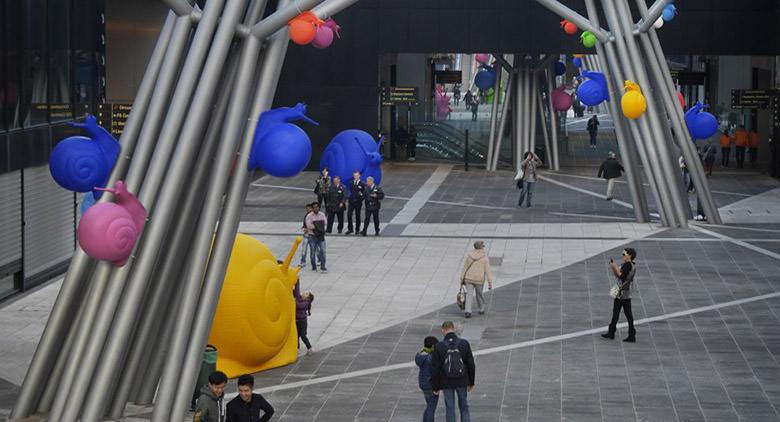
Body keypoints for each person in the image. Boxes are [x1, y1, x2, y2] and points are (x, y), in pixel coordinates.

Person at [431, 321, 475, 422]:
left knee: (450, 408)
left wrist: (436, 386)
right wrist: (471, 382)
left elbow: (435, 368)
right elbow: (471, 364)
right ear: (453, 329)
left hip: (446, 381)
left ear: (443, 330)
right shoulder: (464, 343)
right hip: (462, 380)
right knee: (464, 406)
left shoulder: (439, 346)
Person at [601, 248, 637, 343]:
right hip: (627, 292)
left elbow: (621, 276)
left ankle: (611, 332)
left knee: (616, 312)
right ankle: (631, 334)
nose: (622, 256)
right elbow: (619, 275)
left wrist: (614, 267)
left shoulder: (627, 266)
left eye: (624, 254)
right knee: (628, 313)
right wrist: (614, 268)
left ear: (629, 255)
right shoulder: (631, 265)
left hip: (621, 292)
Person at [459, 241, 493, 318]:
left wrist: (461, 279)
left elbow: (464, 268)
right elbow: (488, 271)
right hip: (479, 279)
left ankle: (468, 311)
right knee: (479, 294)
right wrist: (490, 282)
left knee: (469, 295)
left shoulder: (469, 256)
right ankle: (481, 308)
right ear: (481, 247)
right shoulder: (484, 258)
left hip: (469, 278)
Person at [415, 336, 439, 422]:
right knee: (431, 408)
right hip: (430, 385)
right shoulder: (430, 358)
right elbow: (435, 372)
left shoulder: (420, 355)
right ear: (432, 346)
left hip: (423, 384)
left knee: (429, 405)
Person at [305, 202, 327, 273]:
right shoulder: (309, 216)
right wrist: (319, 225)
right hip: (312, 236)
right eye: (314, 207)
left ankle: (323, 267)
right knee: (313, 252)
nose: (316, 208)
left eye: (317, 207)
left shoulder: (322, 215)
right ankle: (314, 267)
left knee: (323, 251)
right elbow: (309, 226)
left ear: (319, 207)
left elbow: (325, 224)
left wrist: (315, 225)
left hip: (321, 235)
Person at [294, 281, 314, 354]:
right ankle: (297, 348)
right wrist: (297, 282)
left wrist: (295, 300)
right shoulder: (300, 299)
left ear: (307, 298)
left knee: (302, 335)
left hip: (302, 321)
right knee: (296, 335)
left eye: (306, 293)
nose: (303, 292)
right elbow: (296, 292)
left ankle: (309, 347)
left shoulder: (306, 303)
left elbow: (298, 305)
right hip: (297, 320)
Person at [346, 170, 366, 235]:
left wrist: (361, 199)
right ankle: (350, 229)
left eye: (357, 175)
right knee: (349, 214)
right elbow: (349, 191)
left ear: (359, 176)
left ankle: (357, 229)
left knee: (357, 215)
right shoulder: (351, 182)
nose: (356, 177)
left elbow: (364, 193)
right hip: (351, 201)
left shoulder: (362, 184)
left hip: (358, 202)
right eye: (354, 175)